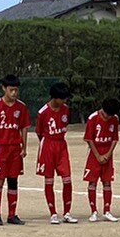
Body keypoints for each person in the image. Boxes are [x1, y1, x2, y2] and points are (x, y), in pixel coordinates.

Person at [0, 75, 31, 226]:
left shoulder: (21, 107)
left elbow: (24, 127)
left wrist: (24, 146)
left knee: (13, 180)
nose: (14, 93)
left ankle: (12, 215)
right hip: (1, 148)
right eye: (11, 90)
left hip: (15, 149)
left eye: (16, 90)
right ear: (4, 88)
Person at [36, 82, 78, 224]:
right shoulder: (43, 112)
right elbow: (39, 132)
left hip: (61, 145)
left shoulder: (66, 109)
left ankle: (67, 212)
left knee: (67, 179)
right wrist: (47, 144)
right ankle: (53, 213)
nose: (64, 101)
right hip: (48, 145)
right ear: (55, 98)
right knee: (49, 180)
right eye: (62, 98)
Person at [83, 97, 120, 222]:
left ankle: (107, 210)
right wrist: (98, 156)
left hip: (107, 155)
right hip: (95, 155)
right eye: (106, 115)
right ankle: (93, 211)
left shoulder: (114, 119)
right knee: (92, 182)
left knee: (107, 182)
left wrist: (108, 154)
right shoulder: (93, 118)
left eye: (110, 116)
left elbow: (115, 138)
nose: (108, 118)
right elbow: (89, 139)